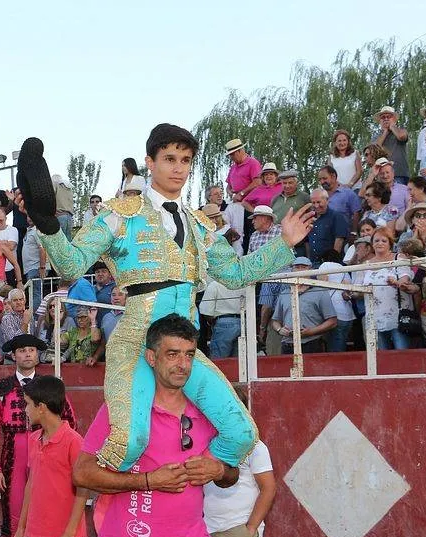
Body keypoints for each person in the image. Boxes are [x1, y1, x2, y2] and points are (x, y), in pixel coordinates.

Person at [18, 124, 311, 472]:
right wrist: (48, 225)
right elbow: (71, 263)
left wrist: (284, 244)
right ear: (149, 162)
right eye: (170, 158)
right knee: (129, 443)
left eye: (185, 160)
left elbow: (235, 274)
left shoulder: (201, 226)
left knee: (242, 434)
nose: (178, 168)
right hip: (135, 344)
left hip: (184, 351)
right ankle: (110, 503)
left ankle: (178, 489)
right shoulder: (119, 215)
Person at [73, 314, 240, 537]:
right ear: (151, 357)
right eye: (172, 354)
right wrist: (149, 481)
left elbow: (231, 476)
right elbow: (82, 474)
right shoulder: (121, 410)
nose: (182, 364)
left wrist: (218, 468)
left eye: (189, 354)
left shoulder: (207, 409)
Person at [0, 334, 76, 537]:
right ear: (13, 355)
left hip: (46, 450)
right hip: (14, 453)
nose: (27, 355)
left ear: (38, 355)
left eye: (31, 350)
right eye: (22, 350)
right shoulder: (1, 388)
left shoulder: (51, 388)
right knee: (12, 519)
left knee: (50, 513)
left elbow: (68, 421)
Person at [12, 376, 93, 537]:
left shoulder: (73, 441)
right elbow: (30, 485)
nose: (24, 410)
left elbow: (83, 489)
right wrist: (22, 527)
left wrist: (69, 534)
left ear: (41, 407)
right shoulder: (35, 440)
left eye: (27, 404)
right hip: (38, 535)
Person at [270, 257, 338, 354]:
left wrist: (312, 331)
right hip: (288, 344)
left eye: (304, 267)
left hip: (312, 343)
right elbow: (275, 321)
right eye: (297, 267)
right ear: (292, 270)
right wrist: (280, 329)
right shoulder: (284, 293)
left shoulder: (320, 292)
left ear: (310, 271)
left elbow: (332, 321)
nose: (300, 270)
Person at [361, 230, 413, 350]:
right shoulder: (366, 264)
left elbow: (406, 276)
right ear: (372, 244)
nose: (380, 243)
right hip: (374, 316)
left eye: (384, 240)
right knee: (381, 359)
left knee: (402, 354)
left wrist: (397, 282)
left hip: (397, 316)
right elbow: (359, 287)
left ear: (390, 243)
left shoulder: (398, 257)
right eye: (376, 240)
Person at [317, 251, 355, 352]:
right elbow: (348, 288)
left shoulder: (324, 265)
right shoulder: (343, 269)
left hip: (332, 313)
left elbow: (322, 284)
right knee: (341, 344)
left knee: (334, 349)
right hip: (347, 314)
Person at [200, 277, 243, 359]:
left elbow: (206, 311)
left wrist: (212, 322)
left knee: (219, 362)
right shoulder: (243, 285)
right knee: (239, 363)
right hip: (242, 323)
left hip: (222, 323)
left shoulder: (215, 285)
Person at [304, 188, 349, 264]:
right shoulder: (309, 218)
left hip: (331, 264)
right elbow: (307, 242)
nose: (316, 205)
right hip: (313, 263)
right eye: (313, 203)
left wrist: (332, 263)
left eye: (319, 202)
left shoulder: (337, 216)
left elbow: (339, 241)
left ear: (327, 200)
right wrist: (309, 261)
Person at [372, 106, 410, 184]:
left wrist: (392, 127)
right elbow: (375, 148)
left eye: (389, 117)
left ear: (394, 119)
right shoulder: (376, 136)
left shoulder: (401, 131)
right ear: (380, 121)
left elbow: (401, 137)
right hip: (382, 175)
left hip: (399, 174)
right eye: (383, 117)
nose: (386, 119)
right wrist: (385, 132)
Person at [90, 286, 126, 365]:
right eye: (113, 295)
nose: (116, 298)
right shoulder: (106, 317)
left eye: (120, 294)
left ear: (126, 297)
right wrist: (95, 357)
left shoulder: (131, 315)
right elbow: (103, 343)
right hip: (110, 361)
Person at [23, 216, 49, 314]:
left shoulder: (38, 230)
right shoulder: (30, 230)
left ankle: (36, 318)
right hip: (31, 268)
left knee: (36, 293)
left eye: (32, 215)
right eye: (28, 216)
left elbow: (42, 249)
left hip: (36, 267)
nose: (30, 218)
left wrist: (42, 267)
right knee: (33, 293)